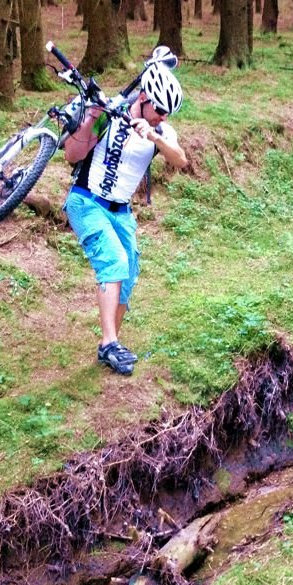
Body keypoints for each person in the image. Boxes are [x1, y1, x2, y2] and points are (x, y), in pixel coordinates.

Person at [63, 64, 188, 375]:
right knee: (114, 261)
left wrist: (156, 138)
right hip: (86, 201)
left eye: (168, 113)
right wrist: (93, 118)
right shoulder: (111, 112)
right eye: (159, 109)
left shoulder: (160, 130)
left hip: (121, 211)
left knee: (128, 272)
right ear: (143, 97)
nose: (163, 116)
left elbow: (181, 161)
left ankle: (111, 344)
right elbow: (72, 155)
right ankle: (109, 344)